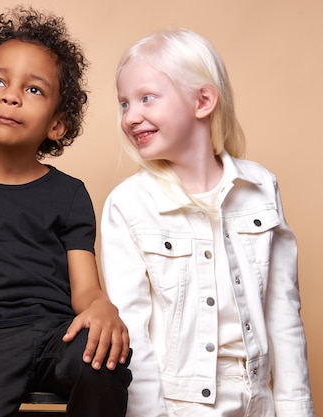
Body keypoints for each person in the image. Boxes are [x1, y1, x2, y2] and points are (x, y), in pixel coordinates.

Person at [0, 6, 132, 417]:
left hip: (59, 335)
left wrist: (102, 305)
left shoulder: (69, 193)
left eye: (34, 90)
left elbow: (84, 288)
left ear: (57, 125)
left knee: (105, 360)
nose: (11, 95)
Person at [101, 28, 314, 416]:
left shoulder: (261, 187)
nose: (131, 117)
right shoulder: (128, 205)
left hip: (259, 401)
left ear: (202, 101)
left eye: (146, 98)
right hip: (180, 405)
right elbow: (133, 332)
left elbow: (283, 311)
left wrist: (295, 409)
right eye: (124, 104)